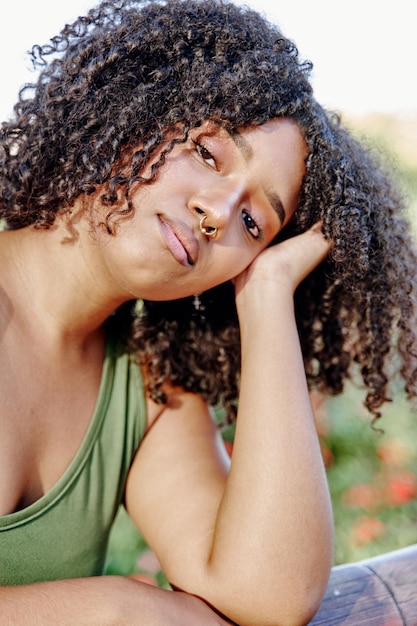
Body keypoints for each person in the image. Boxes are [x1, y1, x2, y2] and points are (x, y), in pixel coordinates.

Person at [0, 0, 416, 624]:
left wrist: (267, 293)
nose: (218, 212)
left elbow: (268, 595)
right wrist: (114, 607)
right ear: (138, 109)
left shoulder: (144, 391)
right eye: (207, 153)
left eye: (254, 222)